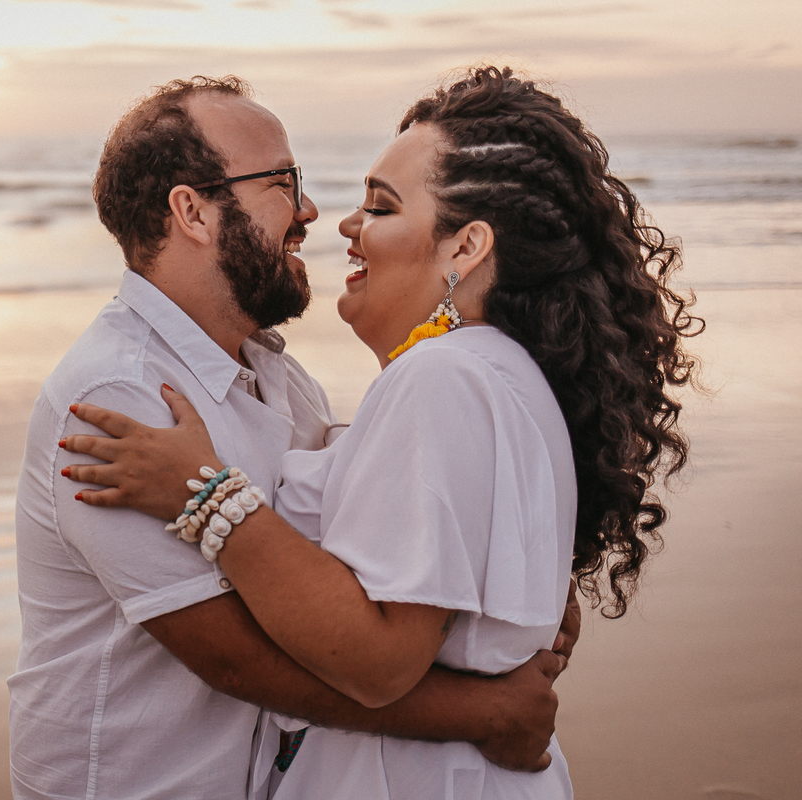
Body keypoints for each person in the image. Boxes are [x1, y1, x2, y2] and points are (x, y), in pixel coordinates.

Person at [61, 67, 701, 798]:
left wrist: (202, 493)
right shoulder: (122, 394)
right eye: (283, 183)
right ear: (193, 212)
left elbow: (374, 656)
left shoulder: (440, 378)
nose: (325, 216)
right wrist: (489, 694)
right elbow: (238, 650)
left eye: (381, 206)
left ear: (465, 249)